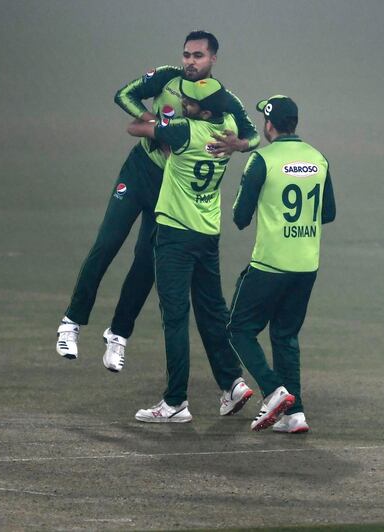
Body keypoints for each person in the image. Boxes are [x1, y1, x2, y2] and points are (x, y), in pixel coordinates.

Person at [56, 31, 259, 374]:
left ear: (213, 59)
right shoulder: (167, 77)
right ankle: (71, 322)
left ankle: (118, 334)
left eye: (198, 56)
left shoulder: (223, 99)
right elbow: (124, 94)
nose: (190, 61)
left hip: (170, 191)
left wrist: (239, 145)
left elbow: (252, 133)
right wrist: (153, 123)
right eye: (187, 55)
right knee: (107, 243)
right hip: (139, 173)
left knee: (146, 263)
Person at [125, 78, 253, 422]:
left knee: (176, 318)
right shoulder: (226, 127)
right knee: (212, 311)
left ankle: (175, 402)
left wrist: (158, 123)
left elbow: (134, 127)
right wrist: (240, 144)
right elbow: (251, 138)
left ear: (205, 110)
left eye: (191, 103)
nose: (184, 104)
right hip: (207, 233)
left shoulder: (184, 131)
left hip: (175, 234)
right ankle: (233, 383)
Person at [226, 95, 336, 433]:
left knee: (239, 329)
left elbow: (240, 217)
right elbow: (328, 213)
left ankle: (273, 391)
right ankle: (295, 414)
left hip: (270, 264)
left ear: (269, 124)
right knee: (286, 335)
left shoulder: (261, 159)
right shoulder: (318, 158)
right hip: (306, 264)